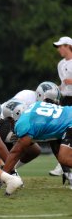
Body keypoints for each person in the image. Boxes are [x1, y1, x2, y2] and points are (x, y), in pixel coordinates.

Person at [2, 99, 72, 189]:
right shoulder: (35, 106)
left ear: (15, 115)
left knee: (64, 158)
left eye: (10, 120)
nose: (11, 124)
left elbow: (16, 152)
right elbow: (54, 139)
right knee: (63, 156)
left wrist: (2, 177)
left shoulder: (23, 123)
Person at [50, 36, 72, 176]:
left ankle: (63, 164)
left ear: (68, 46)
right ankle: (62, 164)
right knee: (57, 131)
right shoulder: (60, 64)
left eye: (61, 46)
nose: (59, 49)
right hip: (65, 101)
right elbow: (63, 85)